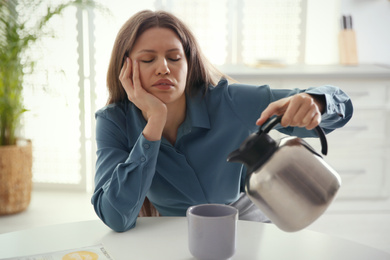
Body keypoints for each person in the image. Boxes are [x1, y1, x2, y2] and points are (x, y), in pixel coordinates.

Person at [92, 10, 353, 232]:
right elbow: (115, 217)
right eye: (148, 59)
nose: (163, 68)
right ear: (125, 68)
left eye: (174, 57)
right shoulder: (114, 121)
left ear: (189, 63)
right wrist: (154, 124)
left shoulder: (228, 101)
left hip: (247, 223)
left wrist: (316, 102)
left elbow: (341, 106)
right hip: (172, 231)